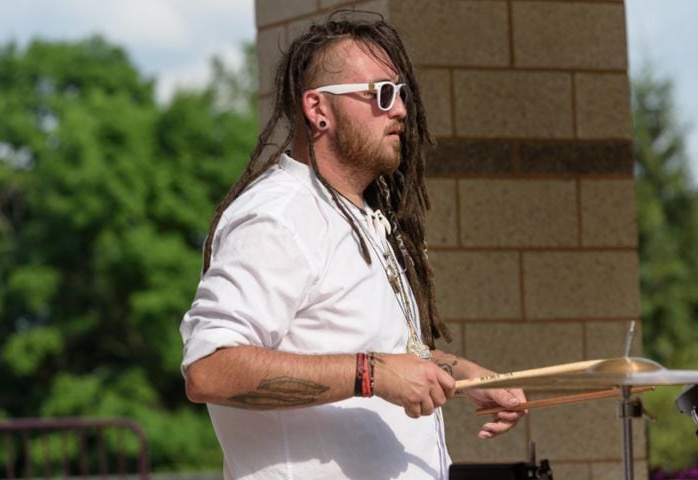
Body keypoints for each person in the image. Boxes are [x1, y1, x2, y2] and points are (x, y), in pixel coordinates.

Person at [180, 13, 527, 480]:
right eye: (381, 94)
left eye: (400, 93)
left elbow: (384, 351)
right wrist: (372, 375)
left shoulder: (359, 215)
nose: (400, 109)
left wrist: (462, 372)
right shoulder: (277, 217)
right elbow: (209, 370)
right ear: (318, 109)